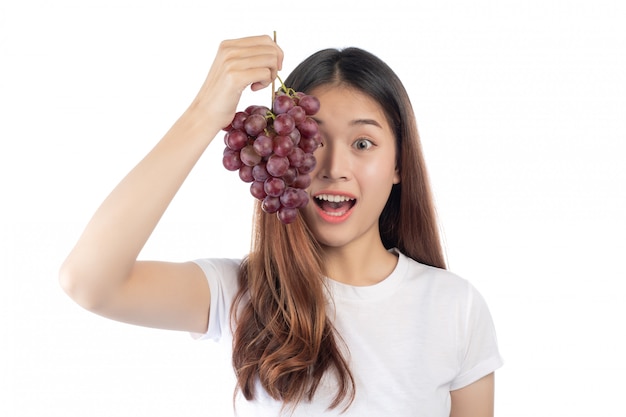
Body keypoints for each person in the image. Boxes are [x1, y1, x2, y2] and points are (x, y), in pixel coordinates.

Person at [59, 35, 503, 416]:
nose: (333, 167)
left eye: (363, 143)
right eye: (312, 139)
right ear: (282, 154)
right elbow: (88, 282)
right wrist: (204, 115)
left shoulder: (456, 307)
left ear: (398, 164)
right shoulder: (241, 291)